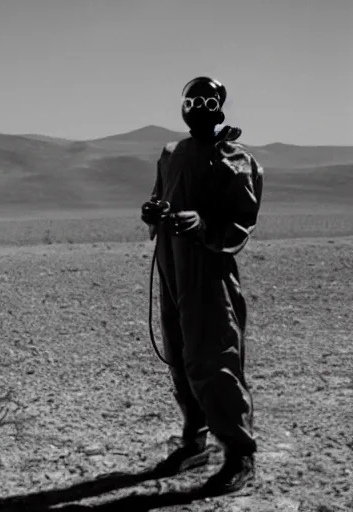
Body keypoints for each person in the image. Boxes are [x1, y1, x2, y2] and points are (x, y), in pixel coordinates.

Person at [141, 76, 264, 495]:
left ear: (219, 105)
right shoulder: (171, 153)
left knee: (215, 355)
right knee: (179, 353)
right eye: (191, 99)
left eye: (206, 99)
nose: (198, 106)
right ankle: (195, 439)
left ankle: (239, 453)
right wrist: (153, 213)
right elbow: (163, 195)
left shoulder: (236, 158)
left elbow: (241, 222)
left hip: (208, 272)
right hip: (172, 266)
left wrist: (204, 224)